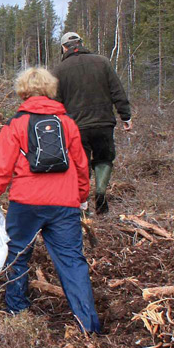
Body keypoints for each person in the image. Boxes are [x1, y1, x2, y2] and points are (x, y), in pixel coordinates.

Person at [0, 67, 101, 334]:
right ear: (50, 89)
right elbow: (82, 165)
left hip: (26, 203)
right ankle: (89, 325)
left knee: (18, 256)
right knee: (72, 261)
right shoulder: (68, 124)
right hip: (64, 204)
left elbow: (2, 169)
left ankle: (16, 312)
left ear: (23, 91)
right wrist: (81, 197)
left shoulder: (15, 125)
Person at [51, 32, 132, 215]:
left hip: (76, 128)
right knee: (104, 159)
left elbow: (55, 103)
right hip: (104, 123)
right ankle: (101, 192)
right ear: (81, 43)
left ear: (64, 47)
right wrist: (125, 116)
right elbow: (117, 91)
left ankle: (83, 206)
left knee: (81, 166)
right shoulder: (102, 62)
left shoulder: (58, 70)